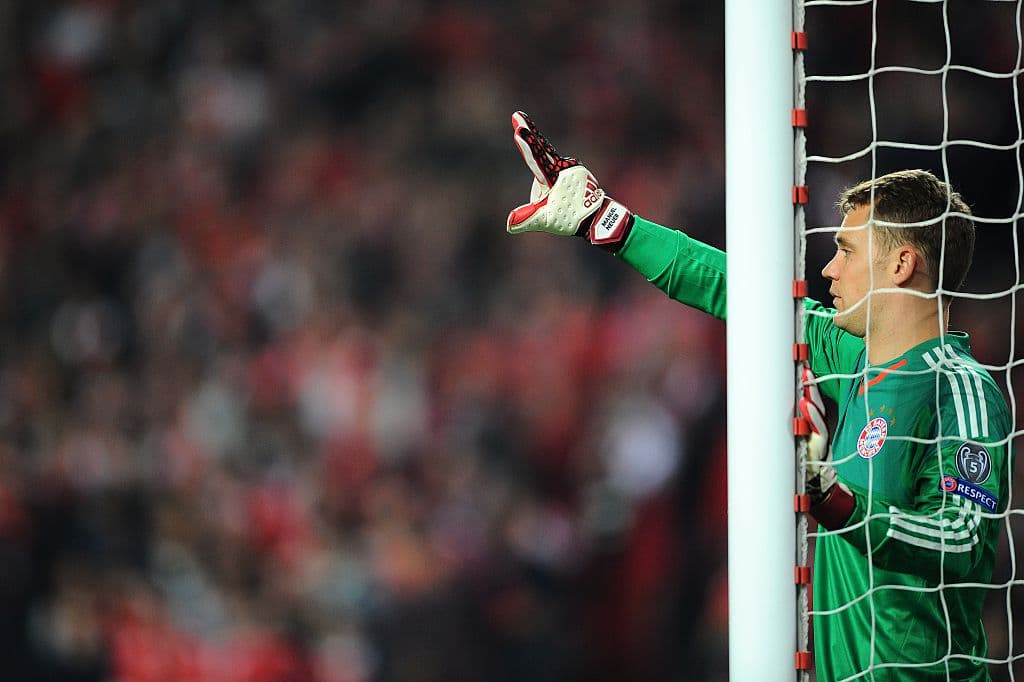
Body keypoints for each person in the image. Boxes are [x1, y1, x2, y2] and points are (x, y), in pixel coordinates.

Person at [505, 111, 1013, 680]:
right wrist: (605, 217)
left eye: (846, 251)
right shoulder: (851, 358)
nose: (828, 268)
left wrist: (834, 499)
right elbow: (732, 286)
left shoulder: (961, 387)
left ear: (900, 264)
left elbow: (962, 538)